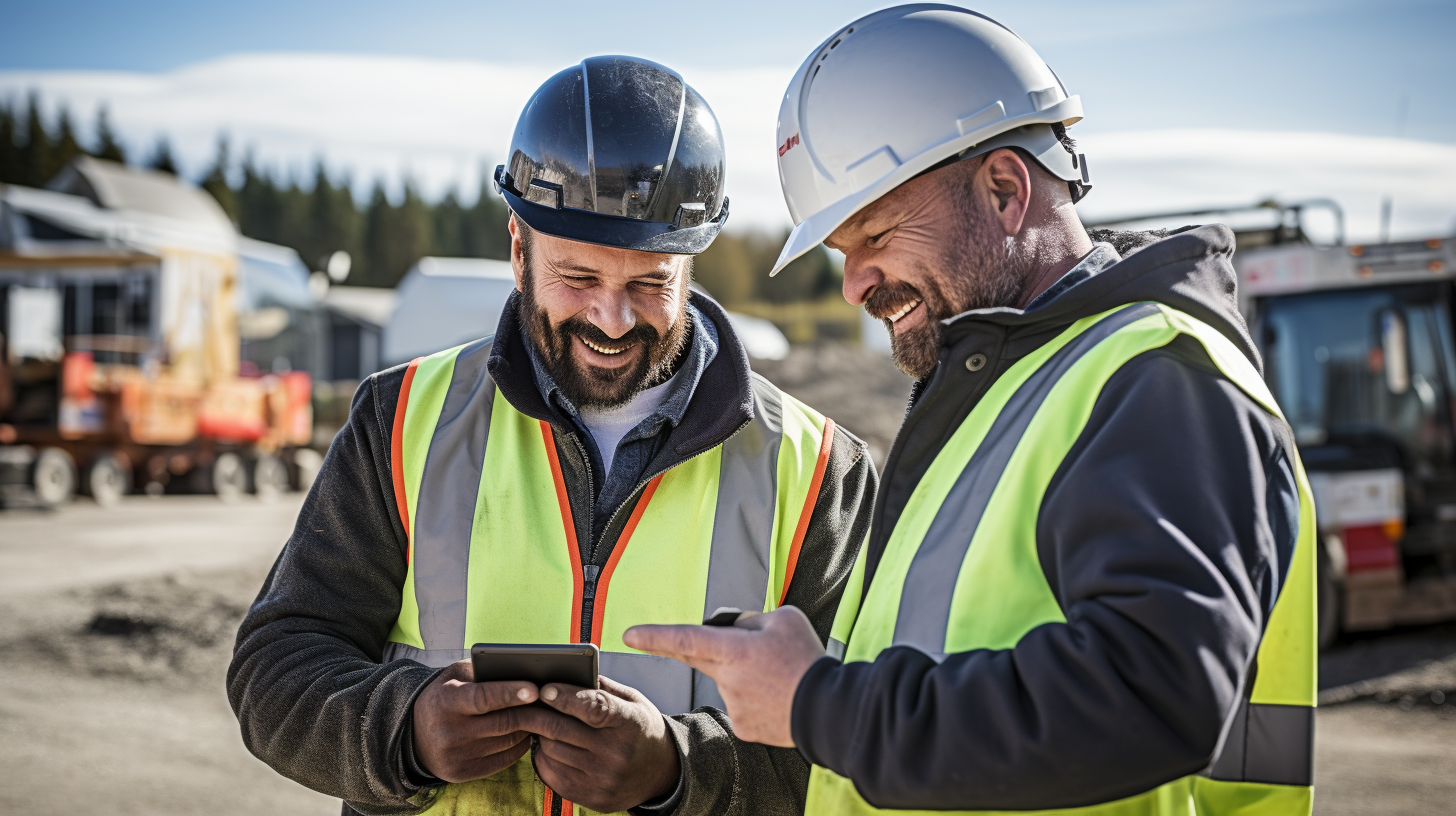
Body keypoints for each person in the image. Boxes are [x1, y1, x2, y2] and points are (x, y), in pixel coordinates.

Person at [627, 7, 1316, 816]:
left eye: (876, 235)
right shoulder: (1009, 394)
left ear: (1004, 189)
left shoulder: (1158, 381)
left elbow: (1155, 693)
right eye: (844, 254)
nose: (854, 286)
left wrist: (818, 703)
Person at [228, 55, 875, 816]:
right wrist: (407, 729)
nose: (610, 318)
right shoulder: (399, 420)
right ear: (517, 251)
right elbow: (275, 669)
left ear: (690, 268)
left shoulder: (817, 470)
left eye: (648, 284)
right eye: (577, 277)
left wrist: (678, 768)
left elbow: (864, 742)